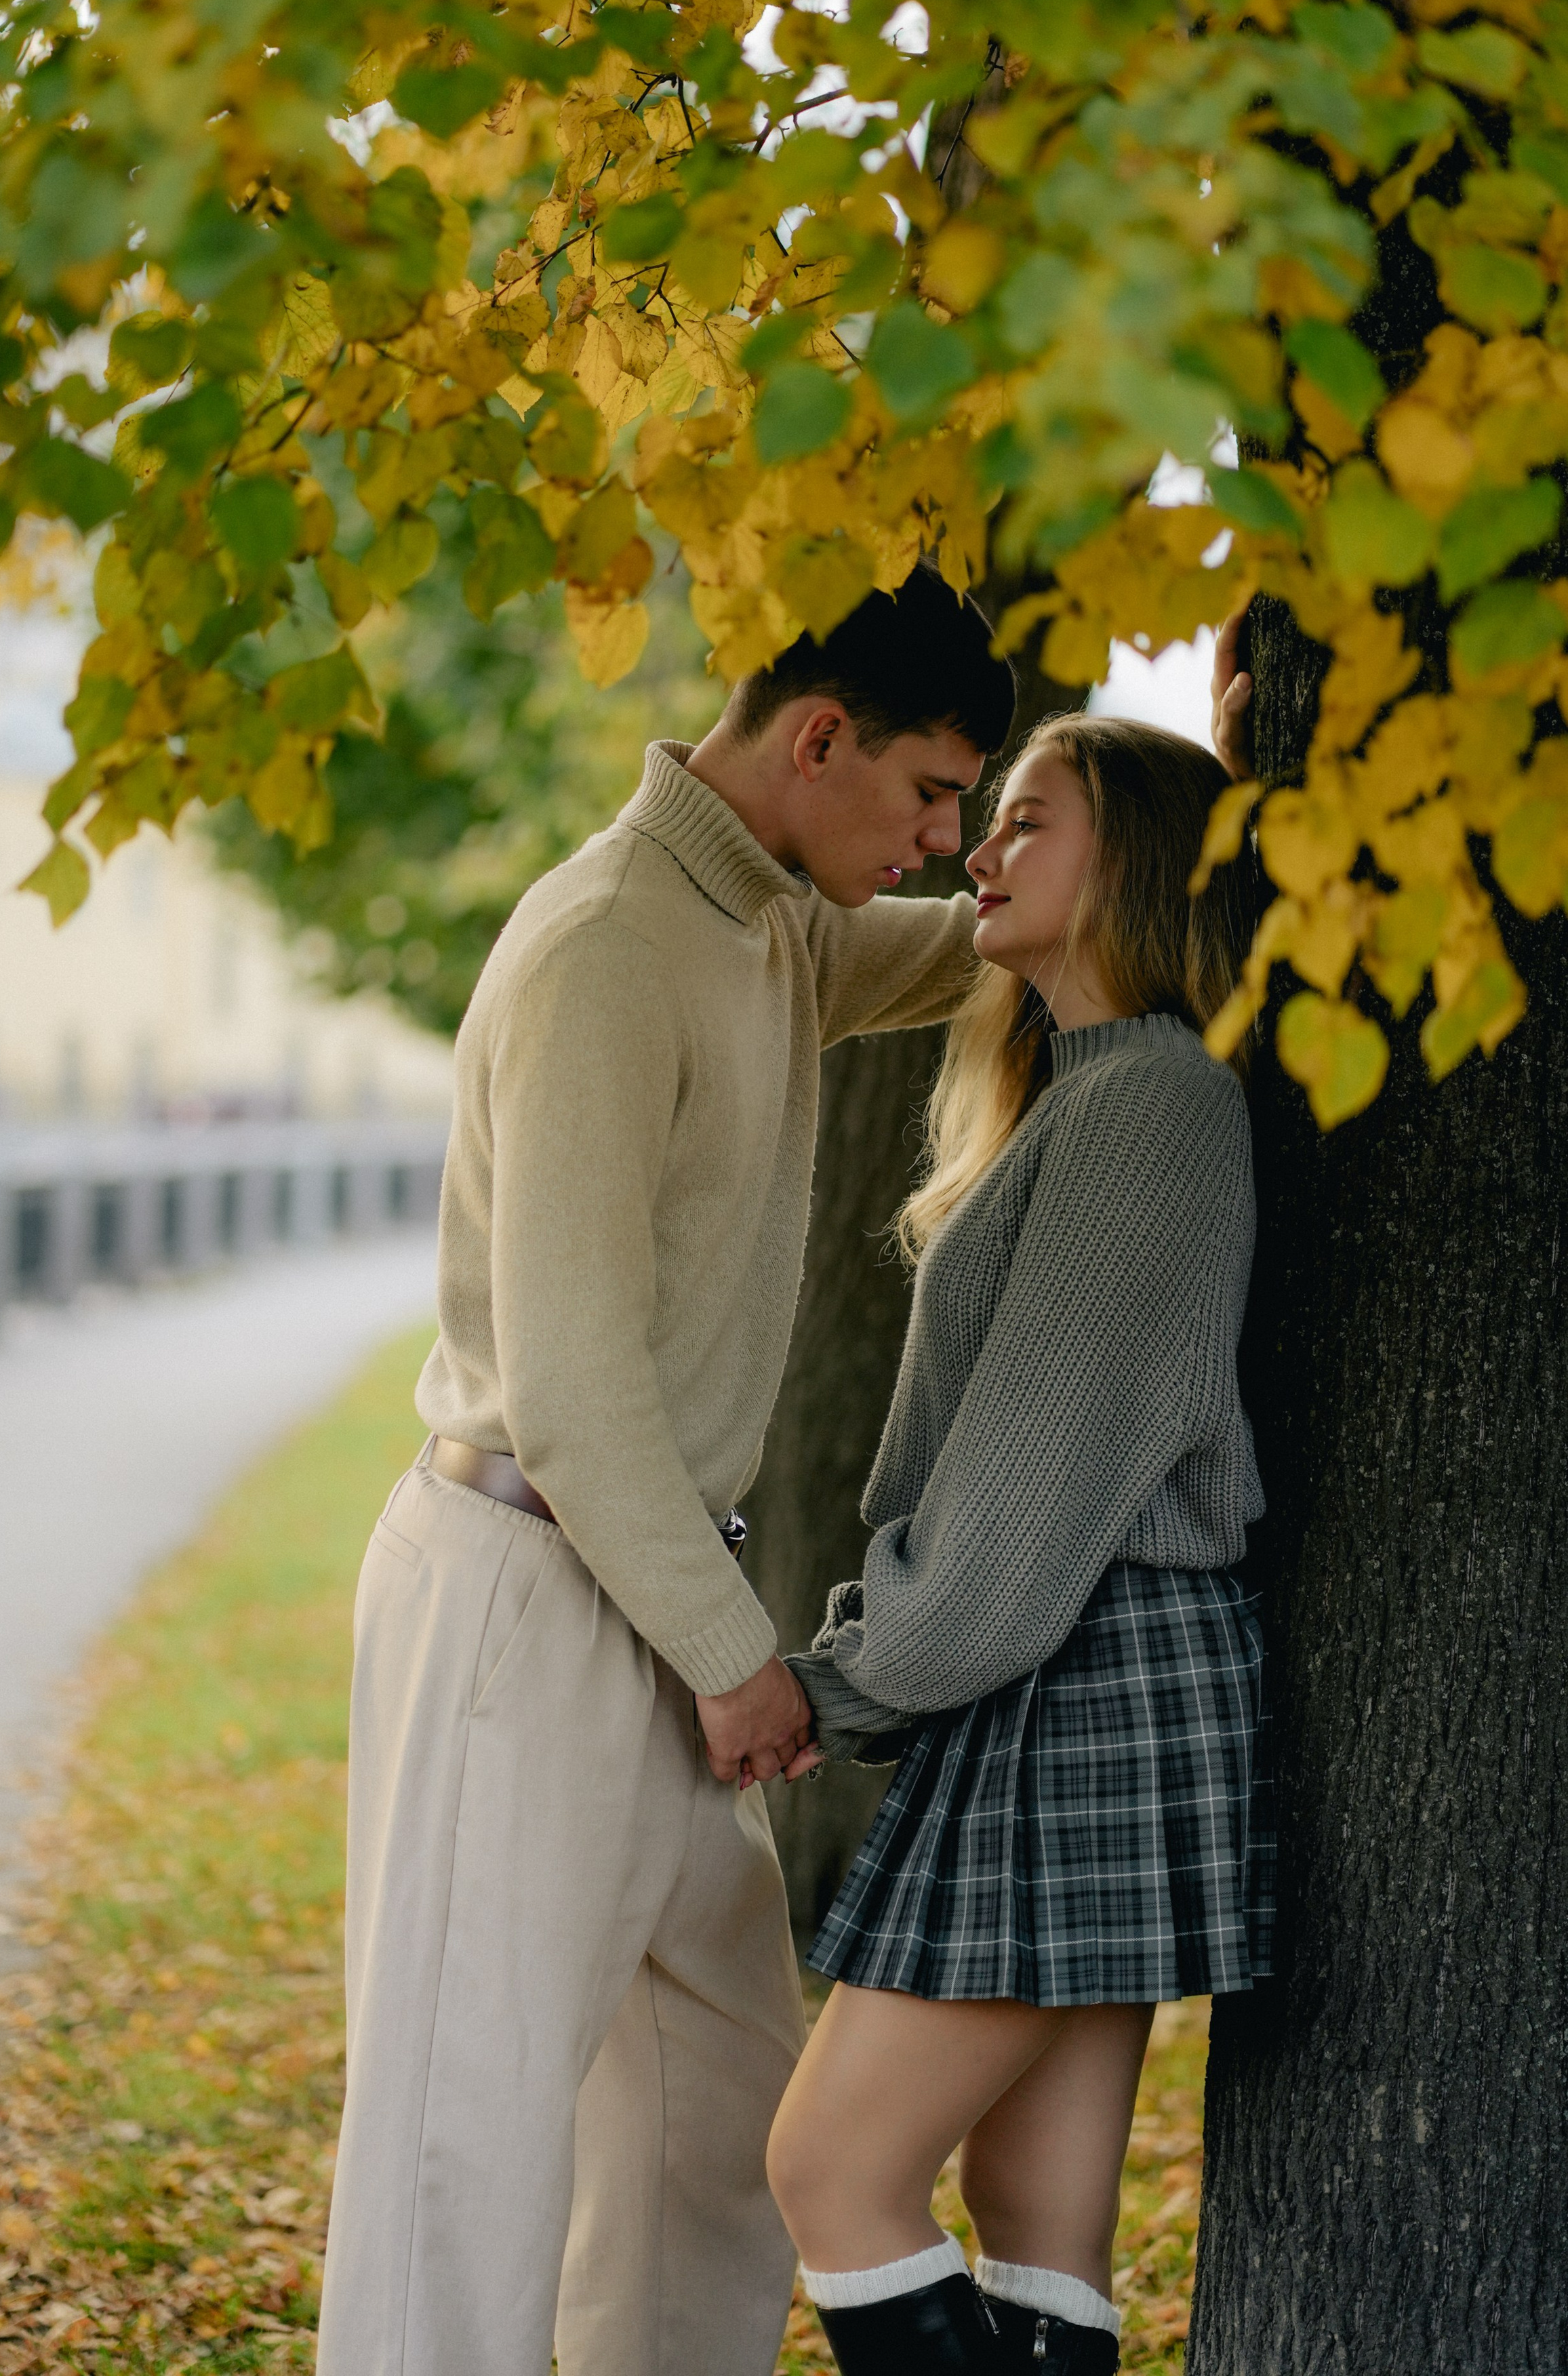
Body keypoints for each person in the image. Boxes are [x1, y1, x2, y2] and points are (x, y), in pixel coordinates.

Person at [315, 567, 1020, 2376]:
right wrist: (730, 1654)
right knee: (459, 2151)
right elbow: (566, 1384)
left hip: (641, 1590)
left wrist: (1179, 821)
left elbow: (977, 944)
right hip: (527, 1592)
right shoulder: (614, 946)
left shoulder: (771, 916)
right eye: (935, 794)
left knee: (716, 2120)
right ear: (817, 739)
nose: (949, 842)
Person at [769, 713, 1272, 2376]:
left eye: (1025, 822)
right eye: (979, 823)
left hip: (1074, 1668)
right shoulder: (1100, 1093)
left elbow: (1022, 1493)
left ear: (1128, 861)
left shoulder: (1144, 1114)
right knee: (1034, 2213)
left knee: (830, 2169)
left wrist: (834, 1685)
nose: (978, 855)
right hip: (1078, 1661)